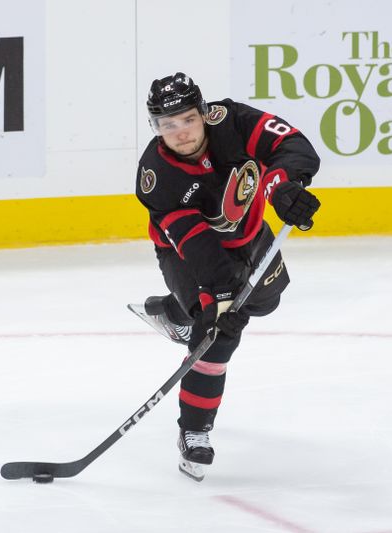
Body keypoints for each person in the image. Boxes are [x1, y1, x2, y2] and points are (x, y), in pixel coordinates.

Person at [134, 72, 321, 481]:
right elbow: (198, 247)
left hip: (251, 236)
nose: (180, 133)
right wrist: (215, 299)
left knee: (264, 303)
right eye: (167, 125)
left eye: (186, 119)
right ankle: (195, 432)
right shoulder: (156, 176)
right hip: (188, 255)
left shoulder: (232, 120)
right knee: (217, 337)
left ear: (202, 112)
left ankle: (173, 313)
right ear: (155, 127)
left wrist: (283, 187)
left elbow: (292, 145)